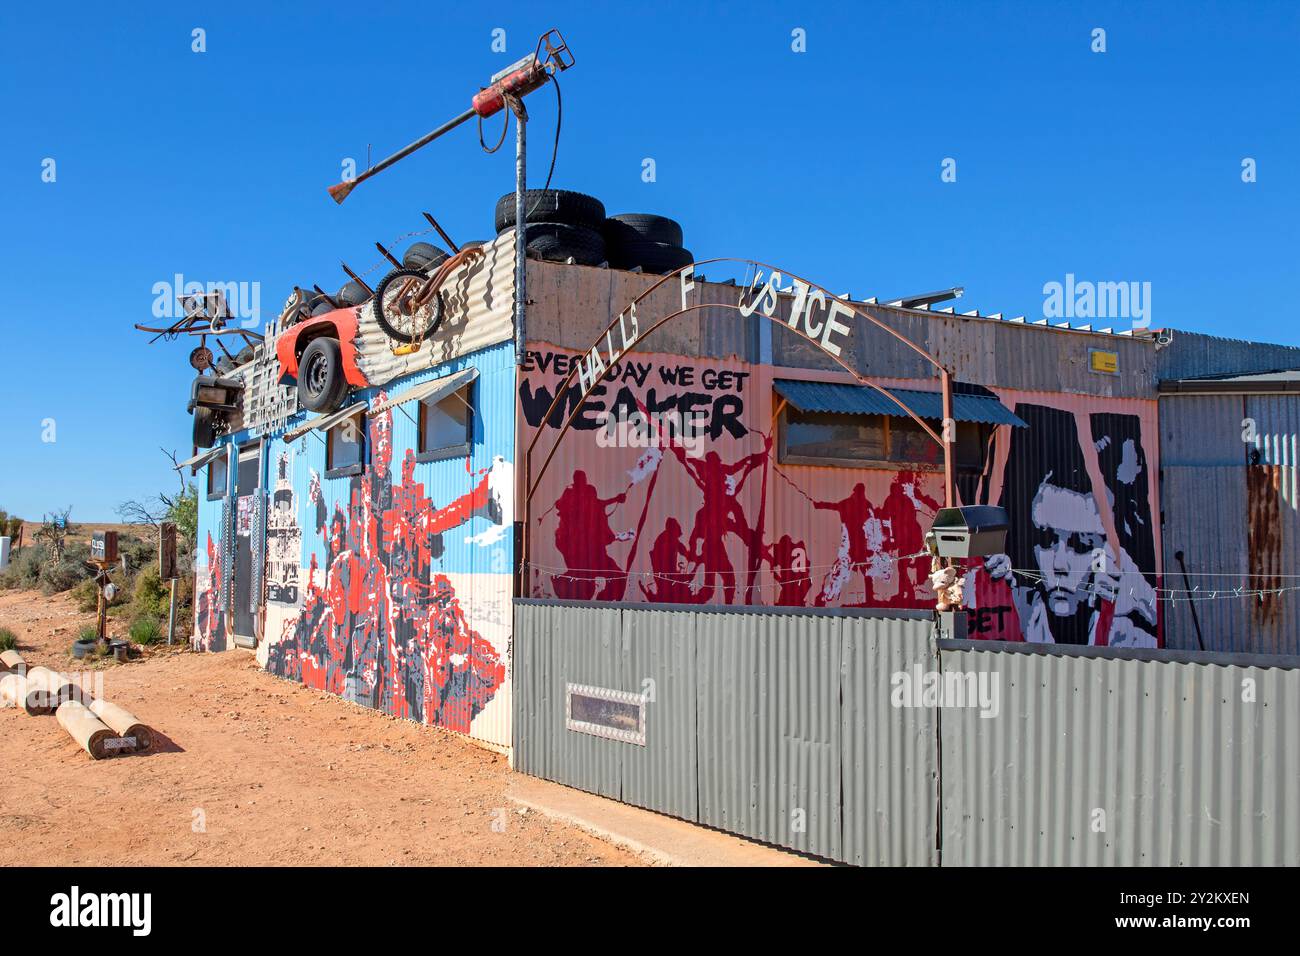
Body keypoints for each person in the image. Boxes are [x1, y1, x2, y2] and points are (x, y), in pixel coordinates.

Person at [552, 470, 628, 601]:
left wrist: (616, 499)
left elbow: (599, 503)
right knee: (585, 582)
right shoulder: (570, 497)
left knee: (616, 577)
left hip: (592, 551)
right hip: (579, 551)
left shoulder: (588, 498)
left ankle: (603, 602)